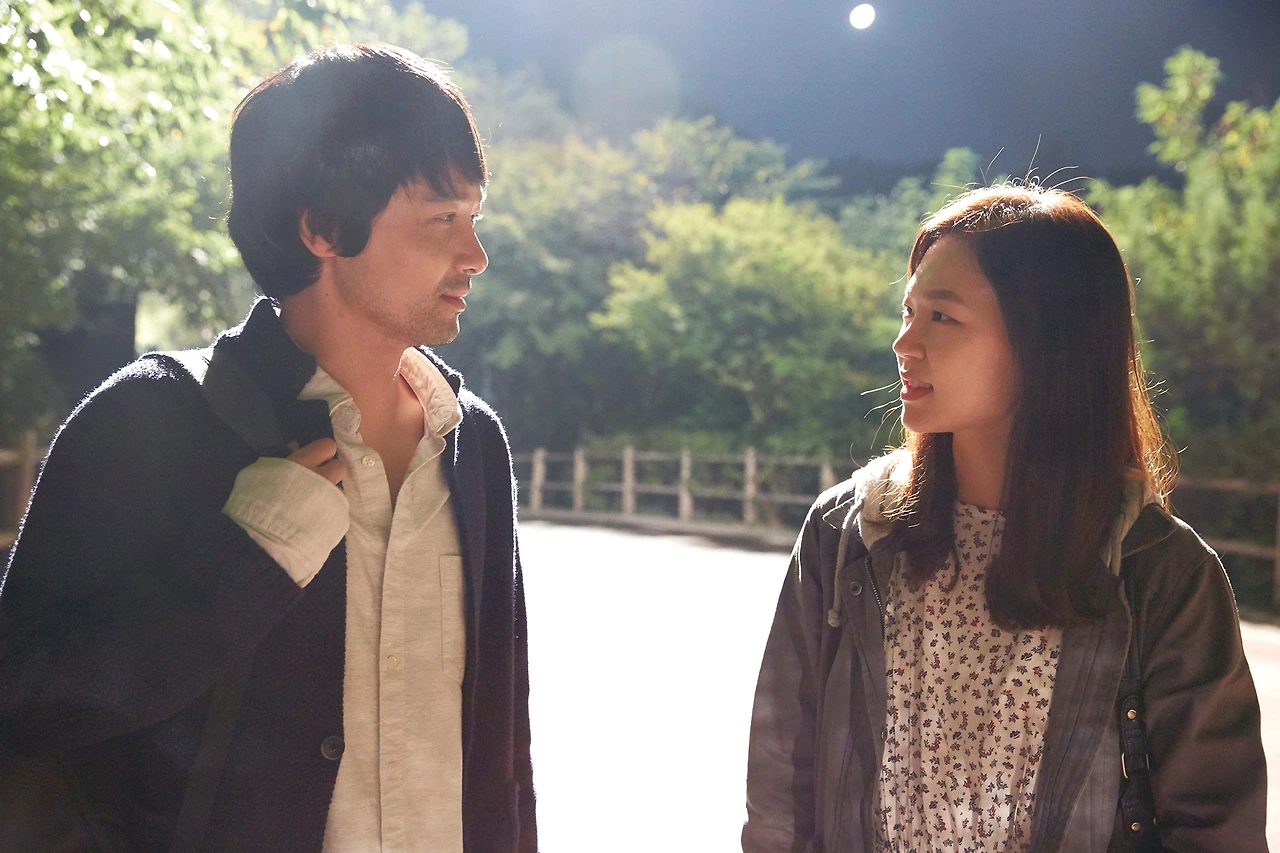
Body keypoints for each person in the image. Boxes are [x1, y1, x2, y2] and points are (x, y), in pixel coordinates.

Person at [0, 43, 536, 852]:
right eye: (442, 219)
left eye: (474, 219)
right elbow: (25, 699)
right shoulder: (151, 421)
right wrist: (248, 557)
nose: (476, 256)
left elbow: (502, 758)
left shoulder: (472, 442)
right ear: (321, 226)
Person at [741, 184, 1266, 852]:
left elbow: (1217, 831)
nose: (904, 342)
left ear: (1047, 342)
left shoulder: (1162, 574)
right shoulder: (846, 535)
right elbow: (781, 799)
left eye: (943, 317)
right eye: (909, 311)